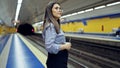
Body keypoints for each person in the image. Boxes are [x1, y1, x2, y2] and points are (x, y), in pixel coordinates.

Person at [42, 1, 72, 68]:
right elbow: (49, 47)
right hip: (56, 62)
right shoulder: (51, 26)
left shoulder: (55, 25)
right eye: (56, 8)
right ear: (50, 11)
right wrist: (65, 46)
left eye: (60, 8)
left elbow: (55, 41)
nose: (59, 10)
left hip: (58, 61)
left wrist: (63, 43)